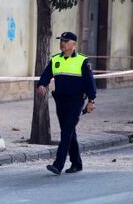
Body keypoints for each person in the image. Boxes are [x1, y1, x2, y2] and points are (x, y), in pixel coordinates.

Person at [37, 31, 96, 175]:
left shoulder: (83, 61)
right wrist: (42, 85)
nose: (62, 43)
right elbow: (46, 75)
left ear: (73, 44)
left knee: (66, 132)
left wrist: (91, 101)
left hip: (75, 102)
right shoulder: (56, 59)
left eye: (65, 41)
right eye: (61, 41)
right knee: (70, 132)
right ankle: (76, 163)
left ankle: (58, 164)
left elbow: (90, 83)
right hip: (60, 101)